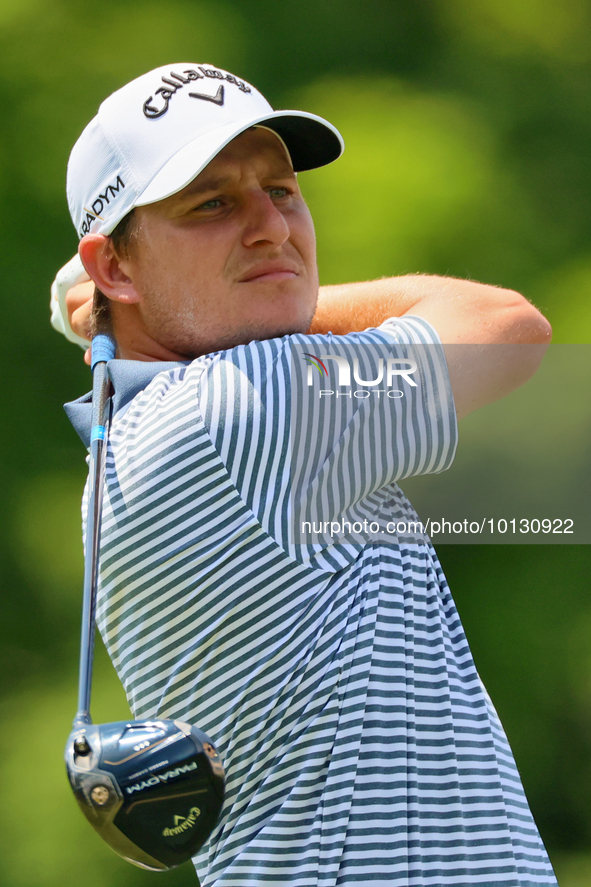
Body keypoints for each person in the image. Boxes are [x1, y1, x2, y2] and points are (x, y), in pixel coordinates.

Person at [55, 63, 557, 886]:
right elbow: (506, 327)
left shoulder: (143, 436)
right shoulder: (238, 410)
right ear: (111, 267)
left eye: (281, 193)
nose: (270, 227)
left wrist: (136, 297)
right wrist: (277, 288)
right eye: (211, 204)